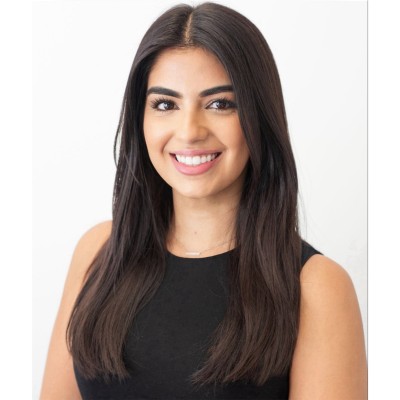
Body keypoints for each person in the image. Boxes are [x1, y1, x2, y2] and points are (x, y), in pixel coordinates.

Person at [40, 2, 367, 399]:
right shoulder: (99, 251)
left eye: (219, 104)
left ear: (258, 117)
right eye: (165, 104)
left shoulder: (316, 287)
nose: (189, 131)